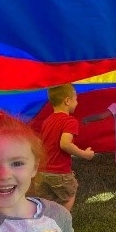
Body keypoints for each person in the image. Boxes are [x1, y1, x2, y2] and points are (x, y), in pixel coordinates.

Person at [37, 83, 94, 211]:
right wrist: (84, 154)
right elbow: (65, 144)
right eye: (76, 99)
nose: (77, 103)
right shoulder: (70, 121)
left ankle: (45, 224)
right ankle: (62, 221)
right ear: (67, 101)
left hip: (42, 172)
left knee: (46, 201)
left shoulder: (47, 121)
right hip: (60, 172)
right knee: (69, 195)